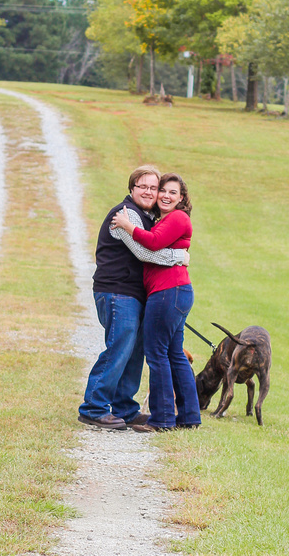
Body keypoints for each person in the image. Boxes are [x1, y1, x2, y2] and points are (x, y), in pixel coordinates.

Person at [78, 165, 190, 431]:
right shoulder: (125, 216)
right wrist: (180, 258)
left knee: (135, 350)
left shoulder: (147, 217)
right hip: (117, 291)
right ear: (132, 189)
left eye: (155, 187)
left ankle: (125, 409)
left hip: (136, 294)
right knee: (120, 347)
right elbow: (146, 253)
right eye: (143, 186)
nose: (150, 192)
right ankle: (93, 407)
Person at [112, 172, 201, 432]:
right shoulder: (167, 218)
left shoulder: (177, 217)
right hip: (175, 291)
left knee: (157, 353)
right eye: (163, 190)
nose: (165, 195)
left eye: (173, 192)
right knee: (174, 354)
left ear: (182, 198)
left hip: (167, 292)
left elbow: (151, 244)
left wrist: (128, 226)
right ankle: (188, 417)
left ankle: (162, 419)